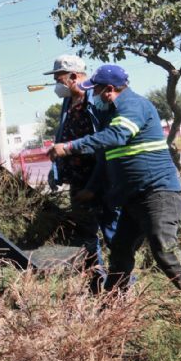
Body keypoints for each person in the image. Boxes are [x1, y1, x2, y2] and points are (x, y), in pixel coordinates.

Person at [48, 64, 181, 291]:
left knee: (163, 246)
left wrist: (69, 147)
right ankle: (113, 300)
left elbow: (116, 136)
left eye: (95, 90)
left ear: (109, 89)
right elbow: (107, 157)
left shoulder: (133, 106)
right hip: (132, 198)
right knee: (120, 251)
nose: (93, 96)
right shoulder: (112, 112)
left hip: (157, 193)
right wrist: (93, 187)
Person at [43, 55, 120, 292]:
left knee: (112, 233)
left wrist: (97, 183)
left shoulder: (97, 101)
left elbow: (106, 139)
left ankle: (121, 286)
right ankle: (96, 285)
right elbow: (64, 137)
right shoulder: (68, 103)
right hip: (77, 180)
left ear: (74, 76)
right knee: (86, 236)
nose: (57, 85)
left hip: (101, 179)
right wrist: (55, 169)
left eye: (59, 79)